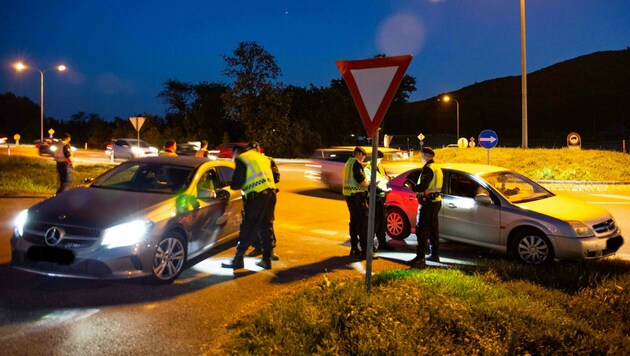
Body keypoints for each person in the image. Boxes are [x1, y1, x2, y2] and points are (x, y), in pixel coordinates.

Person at [221, 141, 277, 270]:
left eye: (232, 155)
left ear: (237, 153)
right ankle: (266, 260)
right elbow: (274, 177)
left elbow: (236, 184)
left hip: (256, 197)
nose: (232, 158)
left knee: (247, 227)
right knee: (266, 227)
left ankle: (238, 260)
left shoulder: (242, 159)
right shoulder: (263, 158)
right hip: (271, 194)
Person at [409, 147, 443, 266]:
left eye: (421, 156)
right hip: (436, 201)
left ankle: (420, 257)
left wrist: (412, 187)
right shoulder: (437, 168)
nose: (421, 158)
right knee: (434, 229)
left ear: (425, 156)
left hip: (427, 202)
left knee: (422, 229)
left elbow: (423, 186)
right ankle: (435, 255)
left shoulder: (428, 169)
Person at [342, 146, 370, 259]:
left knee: (353, 222)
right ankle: (364, 252)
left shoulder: (348, 163)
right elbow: (362, 182)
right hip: (357, 197)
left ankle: (354, 248)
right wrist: (370, 183)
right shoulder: (356, 164)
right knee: (363, 224)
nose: (363, 158)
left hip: (350, 196)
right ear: (358, 153)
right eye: (363, 156)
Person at [364, 158, 395, 251]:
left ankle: (382, 243)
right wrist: (382, 190)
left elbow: (385, 177)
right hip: (374, 197)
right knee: (374, 222)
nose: (379, 161)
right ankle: (370, 245)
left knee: (382, 222)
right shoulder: (368, 169)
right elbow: (370, 185)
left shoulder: (380, 167)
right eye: (378, 159)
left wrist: (388, 179)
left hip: (382, 197)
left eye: (381, 159)